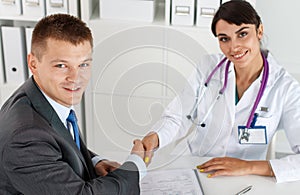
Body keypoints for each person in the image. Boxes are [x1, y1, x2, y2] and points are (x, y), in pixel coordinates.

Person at [142, 0, 300, 183]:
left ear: (259, 31)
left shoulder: (286, 89)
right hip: (192, 166)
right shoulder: (208, 68)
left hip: (242, 178)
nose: (234, 47)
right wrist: (156, 137)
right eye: (224, 38)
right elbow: (178, 117)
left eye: (242, 34)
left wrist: (248, 166)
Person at [0, 13, 146, 194]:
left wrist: (94, 162)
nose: (75, 78)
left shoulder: (40, 96)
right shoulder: (25, 139)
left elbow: (61, 144)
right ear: (33, 64)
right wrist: (136, 164)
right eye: (61, 65)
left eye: (83, 65)